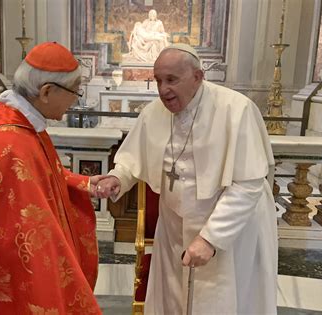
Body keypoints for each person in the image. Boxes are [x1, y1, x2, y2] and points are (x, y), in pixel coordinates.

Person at [97, 44, 278, 314]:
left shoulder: (236, 110)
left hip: (230, 227)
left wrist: (211, 239)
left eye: (172, 80)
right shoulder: (154, 112)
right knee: (173, 297)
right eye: (158, 80)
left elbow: (248, 184)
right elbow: (134, 158)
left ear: (198, 76)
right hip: (174, 226)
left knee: (223, 298)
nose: (162, 89)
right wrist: (118, 177)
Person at [0, 42, 105, 314]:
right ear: (46, 92)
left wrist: (84, 184)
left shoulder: (22, 127)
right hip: (14, 274)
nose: (75, 99)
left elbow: (40, 176)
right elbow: (18, 236)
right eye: (74, 91)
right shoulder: (8, 142)